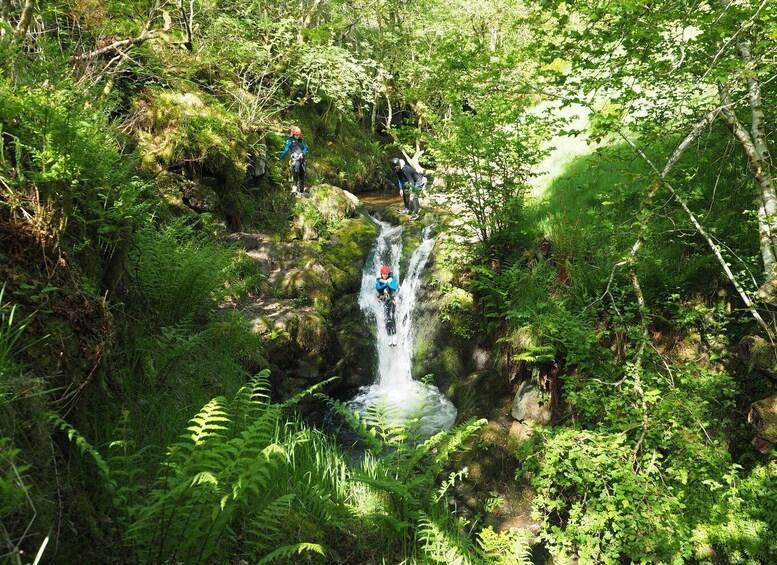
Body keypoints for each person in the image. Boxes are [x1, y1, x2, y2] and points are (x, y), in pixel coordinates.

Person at [278, 126, 309, 193]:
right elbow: (286, 150)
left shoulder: (301, 141)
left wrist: (302, 153)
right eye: (296, 135)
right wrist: (280, 158)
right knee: (296, 171)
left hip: (302, 159)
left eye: (298, 135)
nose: (298, 136)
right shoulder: (290, 140)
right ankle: (294, 187)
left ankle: (301, 191)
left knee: (302, 175)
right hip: (295, 159)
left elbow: (305, 148)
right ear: (293, 134)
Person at [376, 263, 399, 346]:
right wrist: (385, 282)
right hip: (384, 302)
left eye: (386, 274)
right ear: (381, 274)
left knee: (392, 317)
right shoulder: (379, 280)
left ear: (388, 273)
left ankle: (395, 335)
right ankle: (389, 336)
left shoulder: (392, 279)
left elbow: (394, 287)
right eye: (383, 274)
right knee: (386, 319)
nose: (385, 275)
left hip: (391, 301)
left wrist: (387, 282)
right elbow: (378, 287)